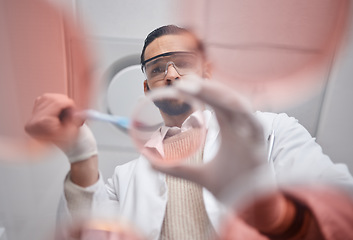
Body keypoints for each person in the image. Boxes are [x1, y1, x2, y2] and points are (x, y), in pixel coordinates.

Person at [25, 25, 353, 240]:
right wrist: (80, 154)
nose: (170, 74)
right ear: (147, 87)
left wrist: (277, 214)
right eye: (157, 69)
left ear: (206, 72)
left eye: (182, 62)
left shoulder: (271, 132)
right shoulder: (126, 180)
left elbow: (342, 207)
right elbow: (86, 233)